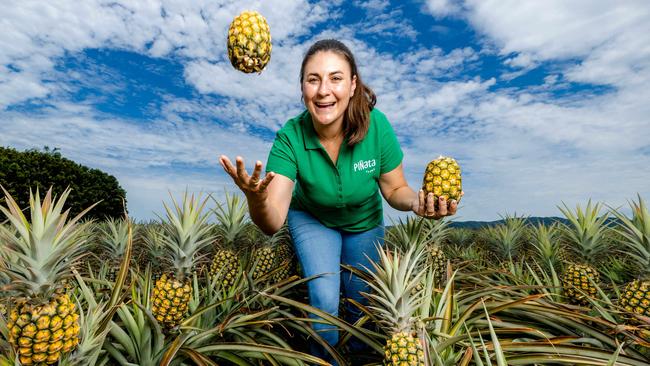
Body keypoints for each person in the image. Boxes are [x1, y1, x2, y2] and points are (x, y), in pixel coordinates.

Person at [219, 39, 459, 363]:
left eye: (335, 78)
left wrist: (417, 201)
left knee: (363, 300)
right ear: (302, 87)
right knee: (323, 296)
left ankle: (360, 359)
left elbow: (393, 189)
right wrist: (256, 199)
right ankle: (325, 359)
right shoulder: (290, 137)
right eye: (313, 79)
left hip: (364, 223)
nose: (323, 90)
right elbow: (273, 220)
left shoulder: (377, 127)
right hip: (313, 219)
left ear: (353, 84)